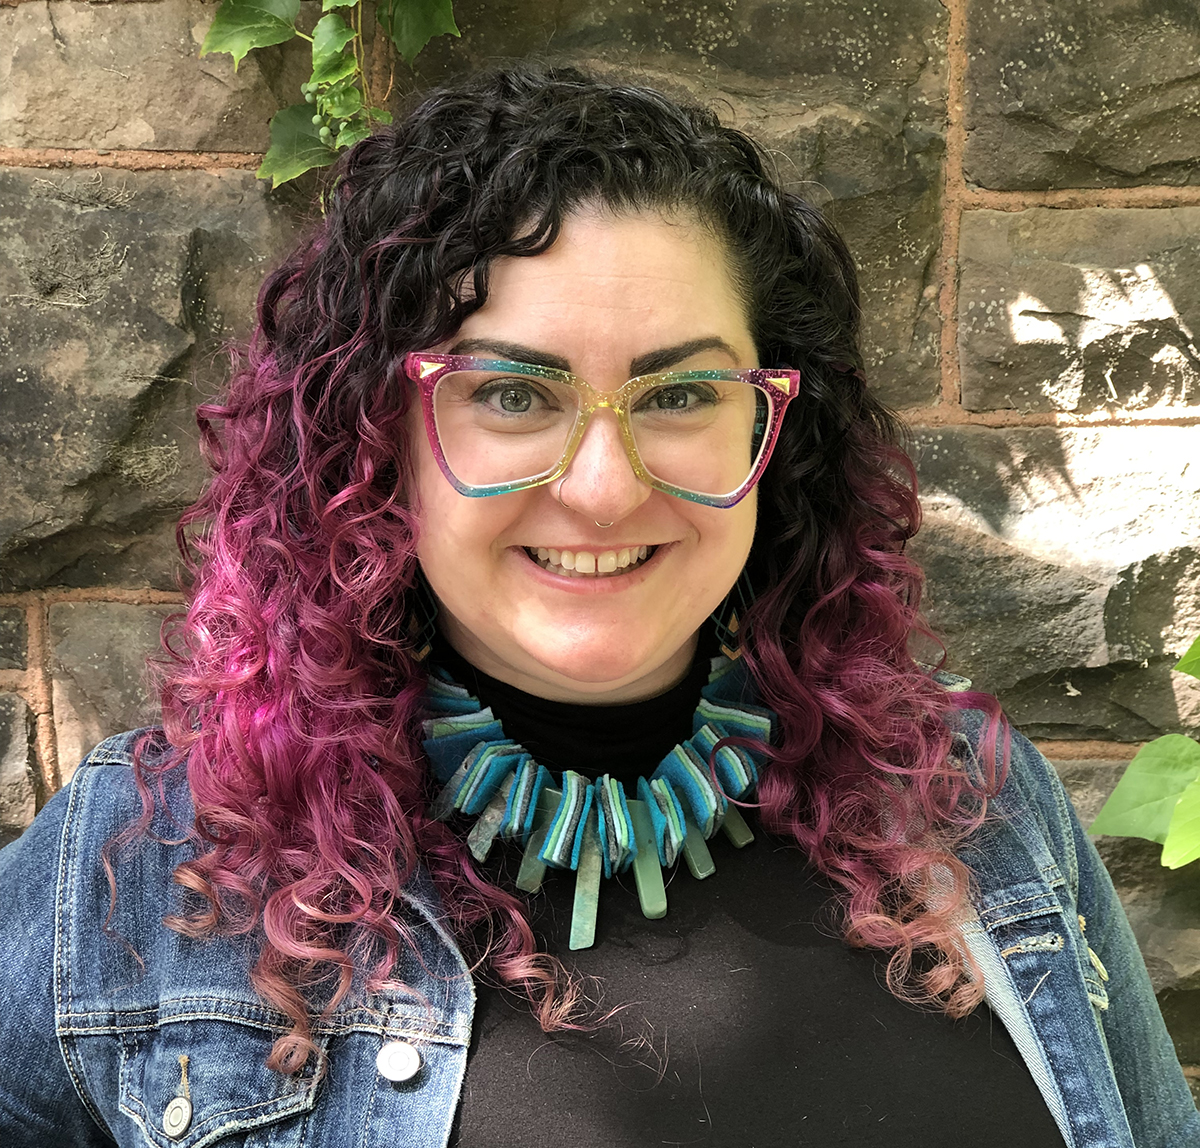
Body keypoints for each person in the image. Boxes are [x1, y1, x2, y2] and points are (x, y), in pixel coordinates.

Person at [0, 64, 1194, 1148]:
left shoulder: (973, 798)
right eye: (514, 394)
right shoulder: (144, 862)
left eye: (680, 392)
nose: (606, 487)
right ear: (377, 437)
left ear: (775, 433)